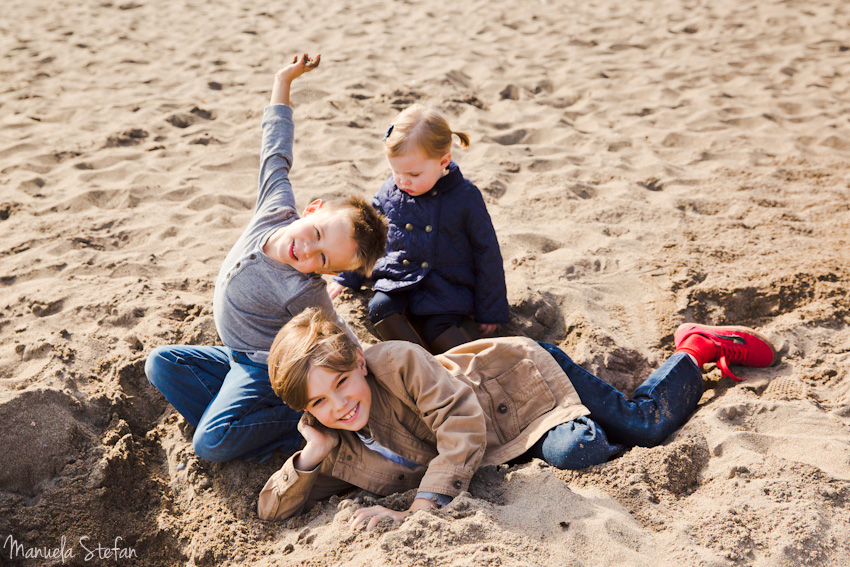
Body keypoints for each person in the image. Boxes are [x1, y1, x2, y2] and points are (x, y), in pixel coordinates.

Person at [257, 309, 776, 527]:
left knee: (643, 425)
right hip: (505, 449)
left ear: (359, 363)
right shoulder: (331, 435)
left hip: (519, 387)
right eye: (319, 402)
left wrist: (419, 509)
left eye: (342, 383)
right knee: (575, 450)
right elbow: (272, 511)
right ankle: (595, 410)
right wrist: (309, 459)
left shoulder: (396, 362)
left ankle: (694, 350)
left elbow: (461, 423)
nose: (338, 405)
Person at [145, 54, 388, 463]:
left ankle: (297, 427)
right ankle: (251, 431)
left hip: (262, 368)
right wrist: (283, 81)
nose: (307, 250)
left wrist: (368, 365)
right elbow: (275, 149)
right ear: (311, 210)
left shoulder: (301, 289)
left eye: (322, 259)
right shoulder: (274, 208)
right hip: (235, 354)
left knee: (209, 444)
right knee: (160, 364)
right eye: (315, 235)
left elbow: (335, 329)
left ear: (325, 275)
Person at [327, 104, 509, 354]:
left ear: (443, 161)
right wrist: (349, 276)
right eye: (396, 171)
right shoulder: (390, 191)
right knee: (380, 308)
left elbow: (486, 251)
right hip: (397, 279)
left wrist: (491, 309)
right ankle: (420, 364)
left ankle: (466, 369)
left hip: (446, 287)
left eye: (413, 174)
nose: (403, 180)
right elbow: (368, 236)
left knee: (439, 327)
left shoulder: (465, 197)